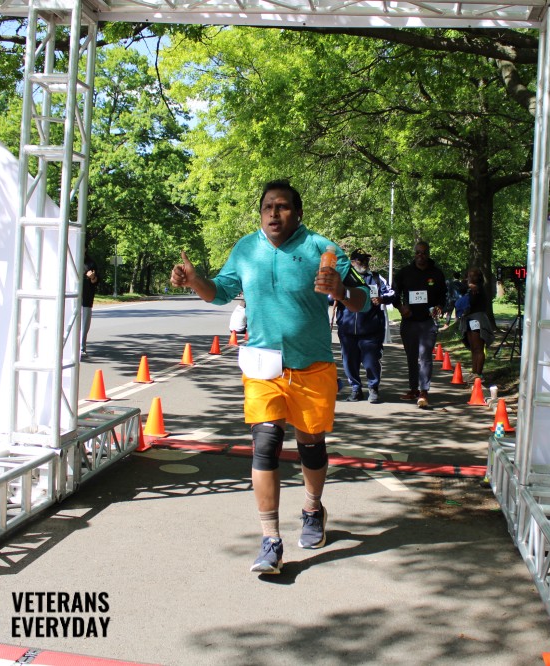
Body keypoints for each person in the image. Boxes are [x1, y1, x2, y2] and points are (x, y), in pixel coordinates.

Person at [170, 180, 369, 575]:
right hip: (263, 366)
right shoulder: (246, 249)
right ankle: (270, 540)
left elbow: (363, 300)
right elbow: (219, 292)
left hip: (311, 364)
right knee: (265, 444)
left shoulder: (321, 248)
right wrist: (194, 280)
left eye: (282, 207)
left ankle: (312, 509)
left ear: (298, 213)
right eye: (267, 207)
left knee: (311, 445)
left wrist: (342, 292)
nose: (274, 213)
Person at [336, 249, 395, 404]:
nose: (364, 263)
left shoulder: (376, 278)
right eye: (360, 260)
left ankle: (373, 388)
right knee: (349, 361)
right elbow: (329, 297)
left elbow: (391, 294)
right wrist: (339, 295)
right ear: (352, 262)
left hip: (371, 329)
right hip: (347, 329)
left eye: (366, 260)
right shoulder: (343, 278)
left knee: (371, 361)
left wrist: (381, 299)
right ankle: (356, 389)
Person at [393, 241, 447, 408]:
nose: (420, 256)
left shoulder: (436, 273)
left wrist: (440, 307)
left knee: (425, 357)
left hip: (428, 322)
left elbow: (443, 295)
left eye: (423, 253)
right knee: (411, 357)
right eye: (418, 253)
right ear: (414, 254)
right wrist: (400, 307)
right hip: (409, 321)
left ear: (428, 254)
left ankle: (424, 391)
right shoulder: (405, 272)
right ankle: (413, 389)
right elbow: (394, 293)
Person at [458, 267, 494, 382]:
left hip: (477, 320)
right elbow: (459, 288)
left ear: (479, 277)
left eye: (474, 275)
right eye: (469, 275)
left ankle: (479, 374)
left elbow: (473, 302)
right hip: (468, 320)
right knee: (473, 348)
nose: (471, 277)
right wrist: (467, 284)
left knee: (478, 348)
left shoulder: (479, 288)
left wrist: (470, 286)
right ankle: (474, 373)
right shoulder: (468, 288)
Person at [81, 255, 99, 361]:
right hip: (70, 298)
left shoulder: (90, 264)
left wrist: (92, 277)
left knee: (84, 326)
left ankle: (82, 348)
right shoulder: (69, 260)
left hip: (86, 299)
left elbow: (96, 281)